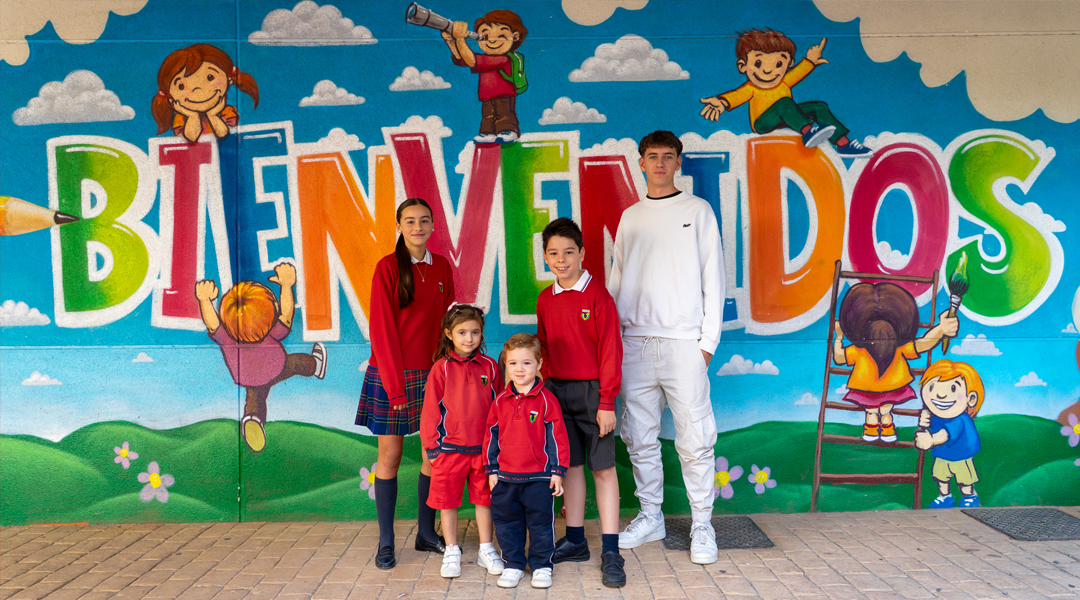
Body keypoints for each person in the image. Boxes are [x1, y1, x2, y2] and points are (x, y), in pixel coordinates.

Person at [608, 131, 725, 565]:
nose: (659, 163)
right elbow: (617, 280)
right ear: (640, 162)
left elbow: (714, 275)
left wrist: (706, 343)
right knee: (639, 436)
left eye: (668, 157)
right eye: (652, 156)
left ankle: (701, 524)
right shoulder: (631, 217)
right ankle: (651, 515)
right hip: (634, 342)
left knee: (695, 437)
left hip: (684, 343)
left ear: (678, 163)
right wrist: (614, 340)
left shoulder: (697, 211)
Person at [355, 198, 456, 569]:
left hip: (433, 375)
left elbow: (451, 325)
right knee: (390, 457)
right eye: (410, 221)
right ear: (399, 226)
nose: (417, 227)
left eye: (424, 220)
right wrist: (395, 388)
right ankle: (386, 541)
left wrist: (451, 371)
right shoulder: (387, 268)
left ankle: (427, 534)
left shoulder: (443, 266)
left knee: (434, 455)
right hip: (392, 376)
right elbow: (381, 331)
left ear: (433, 226)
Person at [535, 217, 625, 587]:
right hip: (557, 392)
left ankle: (610, 550)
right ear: (545, 257)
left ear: (583, 254)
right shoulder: (545, 298)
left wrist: (606, 401)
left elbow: (610, 351)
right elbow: (542, 348)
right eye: (554, 253)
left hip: (593, 394)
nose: (561, 259)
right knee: (570, 466)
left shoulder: (597, 296)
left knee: (602, 468)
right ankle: (575, 540)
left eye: (569, 252)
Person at [195, 262, 326, 453]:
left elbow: (212, 323)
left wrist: (204, 300)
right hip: (278, 367)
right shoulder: (272, 332)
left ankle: (253, 418)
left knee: (255, 399)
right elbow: (287, 316)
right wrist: (287, 286)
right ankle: (316, 365)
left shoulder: (227, 338)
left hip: (249, 379)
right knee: (297, 363)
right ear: (269, 312)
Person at [420, 305, 505, 579]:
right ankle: (452, 550)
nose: (469, 338)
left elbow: (500, 407)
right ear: (449, 333)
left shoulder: (490, 367)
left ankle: (486, 548)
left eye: (475, 332)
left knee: (485, 501)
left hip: (483, 452)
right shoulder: (440, 368)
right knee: (448, 503)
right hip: (449, 451)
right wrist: (433, 448)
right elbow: (431, 411)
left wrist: (499, 446)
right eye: (462, 332)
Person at [699, 29, 872, 158]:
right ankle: (808, 132)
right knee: (785, 104)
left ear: (789, 63)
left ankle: (844, 145)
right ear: (743, 66)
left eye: (778, 63)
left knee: (818, 107)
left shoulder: (784, 82)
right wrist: (722, 102)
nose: (768, 70)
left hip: (787, 118)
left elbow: (799, 72)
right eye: (758, 62)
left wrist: (811, 60)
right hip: (763, 123)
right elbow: (737, 95)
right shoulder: (751, 88)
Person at [483, 333, 569, 589]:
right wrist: (491, 470)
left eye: (527, 363)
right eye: (513, 363)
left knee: (541, 524)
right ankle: (513, 564)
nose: (519, 369)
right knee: (507, 524)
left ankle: (542, 566)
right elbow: (490, 435)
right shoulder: (499, 401)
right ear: (506, 366)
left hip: (539, 478)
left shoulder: (546, 400)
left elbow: (558, 438)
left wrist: (558, 471)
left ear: (539, 365)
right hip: (505, 478)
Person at [833, 282, 959, 443]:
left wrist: (838, 336)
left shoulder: (859, 351)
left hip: (866, 388)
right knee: (884, 411)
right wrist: (940, 329)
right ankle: (886, 426)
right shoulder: (898, 348)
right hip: (892, 388)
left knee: (873, 411)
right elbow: (923, 343)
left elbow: (839, 357)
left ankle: (875, 427)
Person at [443, 10, 528, 144]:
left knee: (504, 114)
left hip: (504, 96)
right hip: (487, 96)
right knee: (488, 117)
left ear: (515, 36)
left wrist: (460, 39)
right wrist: (451, 41)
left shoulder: (504, 59)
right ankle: (487, 133)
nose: (492, 40)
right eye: (486, 35)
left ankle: (509, 130)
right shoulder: (486, 58)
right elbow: (462, 59)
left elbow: (472, 60)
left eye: (501, 35)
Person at [152, 44, 259, 143]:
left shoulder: (227, 111)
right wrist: (192, 116)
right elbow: (190, 138)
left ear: (229, 79)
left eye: (210, 77)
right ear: (170, 98)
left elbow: (224, 134)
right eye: (181, 86)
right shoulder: (181, 118)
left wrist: (213, 115)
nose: (197, 89)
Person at [915, 360, 985, 508]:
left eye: (953, 388)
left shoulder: (959, 419)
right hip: (942, 454)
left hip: (961, 455)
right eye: (932, 387)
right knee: (941, 477)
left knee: (964, 479)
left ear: (971, 399)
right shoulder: (938, 416)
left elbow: (944, 434)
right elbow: (933, 428)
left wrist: (931, 440)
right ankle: (945, 497)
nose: (940, 395)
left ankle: (970, 496)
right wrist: (924, 423)